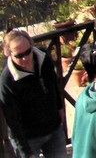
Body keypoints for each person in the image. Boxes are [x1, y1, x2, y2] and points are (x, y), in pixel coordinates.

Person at [0, 30, 65, 158]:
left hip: (53, 129)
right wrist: (25, 153)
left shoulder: (44, 59)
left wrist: (60, 107)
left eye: (27, 52)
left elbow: (54, 85)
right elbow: (12, 121)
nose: (25, 58)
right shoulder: (7, 80)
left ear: (31, 46)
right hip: (28, 138)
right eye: (19, 55)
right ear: (10, 54)